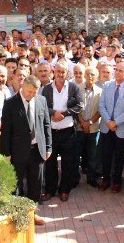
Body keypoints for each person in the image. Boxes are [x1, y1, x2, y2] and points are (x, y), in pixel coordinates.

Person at [0, 76, 52, 227]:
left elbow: (46, 125)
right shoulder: (10, 103)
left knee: (35, 185)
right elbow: (6, 130)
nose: (32, 95)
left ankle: (32, 213)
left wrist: (48, 146)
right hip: (17, 152)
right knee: (16, 185)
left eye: (35, 92)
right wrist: (6, 153)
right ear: (23, 86)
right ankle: (16, 215)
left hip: (38, 151)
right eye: (30, 91)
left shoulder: (41, 100)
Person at [41, 62, 83, 202]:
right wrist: (53, 113)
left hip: (68, 132)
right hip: (51, 132)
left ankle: (65, 190)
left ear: (67, 73)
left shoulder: (73, 87)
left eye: (63, 72)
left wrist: (64, 114)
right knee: (50, 162)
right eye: (58, 71)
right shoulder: (46, 88)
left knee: (68, 163)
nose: (60, 74)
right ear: (54, 71)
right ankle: (50, 190)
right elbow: (42, 105)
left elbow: (80, 105)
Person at [98, 62, 124, 193]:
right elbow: (101, 105)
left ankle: (117, 182)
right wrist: (109, 121)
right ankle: (105, 180)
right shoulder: (107, 85)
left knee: (119, 157)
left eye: (121, 70)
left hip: (121, 129)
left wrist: (115, 123)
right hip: (106, 127)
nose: (118, 72)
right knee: (105, 156)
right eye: (116, 70)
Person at [73, 66, 103, 188]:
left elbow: (100, 110)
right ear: (84, 75)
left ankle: (91, 178)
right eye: (88, 74)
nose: (90, 77)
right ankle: (75, 179)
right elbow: (74, 108)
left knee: (92, 156)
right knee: (76, 155)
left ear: (97, 77)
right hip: (79, 128)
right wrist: (82, 123)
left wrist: (89, 123)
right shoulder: (77, 89)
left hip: (93, 128)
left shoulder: (101, 91)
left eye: (93, 75)